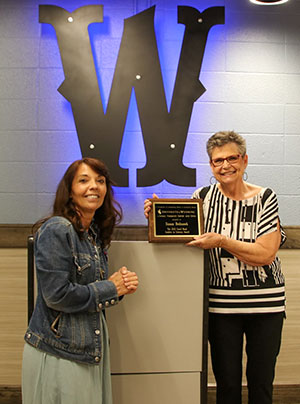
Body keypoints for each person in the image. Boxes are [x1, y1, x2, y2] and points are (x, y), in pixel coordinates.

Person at [144, 131, 286, 404]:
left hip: (266, 306)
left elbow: (266, 254)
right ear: (211, 165)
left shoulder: (266, 197)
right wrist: (156, 216)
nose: (225, 166)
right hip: (221, 307)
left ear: (244, 161)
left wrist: (221, 240)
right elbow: (183, 233)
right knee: (226, 385)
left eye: (232, 158)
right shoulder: (202, 197)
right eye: (217, 160)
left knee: (261, 383)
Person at [22, 157, 139, 404]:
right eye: (84, 180)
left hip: (88, 349)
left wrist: (119, 287)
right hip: (59, 351)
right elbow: (57, 295)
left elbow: (87, 289)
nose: (94, 186)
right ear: (70, 190)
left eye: (100, 181)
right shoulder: (57, 229)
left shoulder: (92, 234)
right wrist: (110, 287)